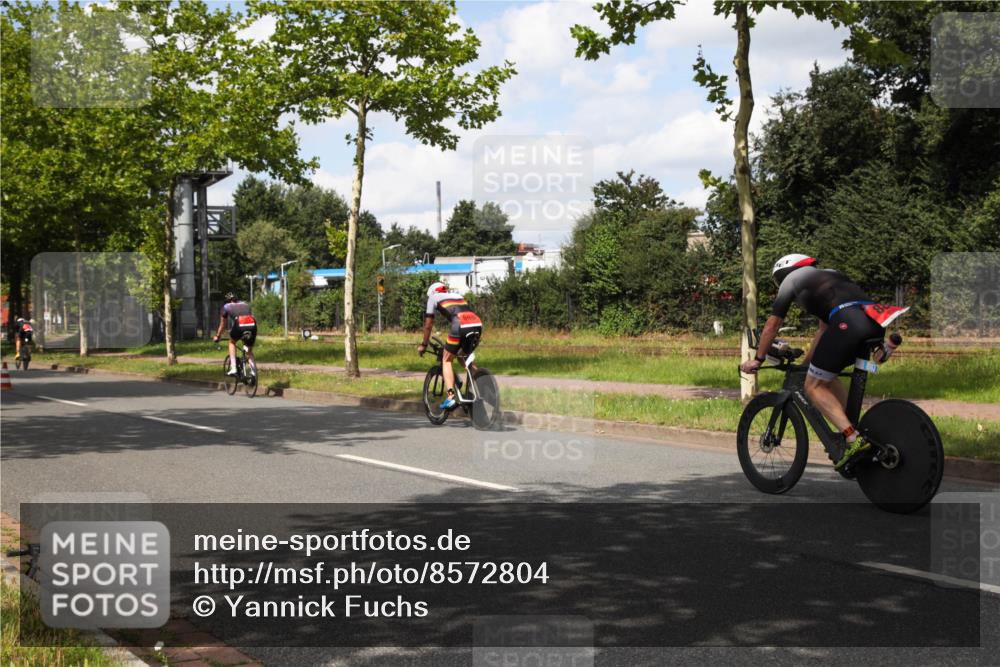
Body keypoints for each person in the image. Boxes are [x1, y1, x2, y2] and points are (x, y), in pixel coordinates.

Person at [739, 254, 908, 470]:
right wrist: (807, 365)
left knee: (812, 386)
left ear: (783, 273)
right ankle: (861, 429)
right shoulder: (831, 276)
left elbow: (772, 325)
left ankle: (852, 438)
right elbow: (823, 330)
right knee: (824, 377)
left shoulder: (792, 280)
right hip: (873, 322)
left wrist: (758, 360)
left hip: (848, 323)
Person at [417, 282, 483, 410]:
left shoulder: (433, 298)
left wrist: (424, 344)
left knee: (446, 360)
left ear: (432, 292)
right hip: (477, 324)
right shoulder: (457, 295)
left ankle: (450, 397)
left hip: (460, 325)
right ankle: (484, 386)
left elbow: (428, 325)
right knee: (463, 356)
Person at [213, 293, 257, 376]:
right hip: (252, 325)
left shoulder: (226, 306)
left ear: (227, 301)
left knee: (232, 342)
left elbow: (223, 324)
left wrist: (218, 336)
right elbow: (251, 317)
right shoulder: (246, 304)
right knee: (249, 350)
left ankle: (233, 368)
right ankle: (254, 373)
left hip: (240, 324)